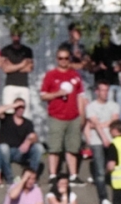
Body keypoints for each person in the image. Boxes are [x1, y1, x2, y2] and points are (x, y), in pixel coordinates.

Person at [41, 47, 85, 183]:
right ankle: (53, 175)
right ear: (57, 59)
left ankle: (73, 175)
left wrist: (82, 114)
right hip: (56, 116)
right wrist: (57, 94)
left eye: (66, 58)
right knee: (54, 147)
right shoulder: (51, 75)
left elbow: (80, 96)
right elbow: (43, 95)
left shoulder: (75, 75)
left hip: (73, 116)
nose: (63, 61)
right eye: (61, 58)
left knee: (73, 147)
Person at [85, 82, 120, 204]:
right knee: (100, 171)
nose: (105, 93)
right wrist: (104, 136)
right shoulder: (91, 107)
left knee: (113, 168)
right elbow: (95, 123)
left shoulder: (114, 105)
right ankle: (103, 198)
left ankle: (116, 195)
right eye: (102, 90)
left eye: (107, 90)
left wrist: (100, 124)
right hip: (97, 141)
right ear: (97, 92)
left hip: (112, 140)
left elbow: (115, 120)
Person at [0, 98, 43, 184]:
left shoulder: (28, 123)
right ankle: (10, 178)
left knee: (38, 147)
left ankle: (31, 177)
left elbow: (34, 137)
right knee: (4, 147)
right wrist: (13, 105)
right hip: (7, 152)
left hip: (21, 152)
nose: (20, 109)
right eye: (18, 107)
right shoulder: (6, 118)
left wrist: (28, 141)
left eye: (22, 107)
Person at [90, 25, 121, 110]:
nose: (104, 36)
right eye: (102, 34)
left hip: (113, 82)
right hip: (100, 82)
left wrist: (119, 67)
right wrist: (99, 67)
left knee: (113, 105)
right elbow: (91, 69)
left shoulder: (116, 49)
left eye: (106, 34)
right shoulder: (96, 49)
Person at [0, 31, 34, 109]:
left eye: (18, 35)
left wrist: (12, 66)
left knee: (25, 111)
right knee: (8, 110)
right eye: (14, 35)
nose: (16, 37)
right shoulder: (5, 50)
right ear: (11, 36)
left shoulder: (27, 51)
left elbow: (29, 68)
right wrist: (22, 64)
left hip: (24, 86)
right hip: (10, 85)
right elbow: (6, 69)